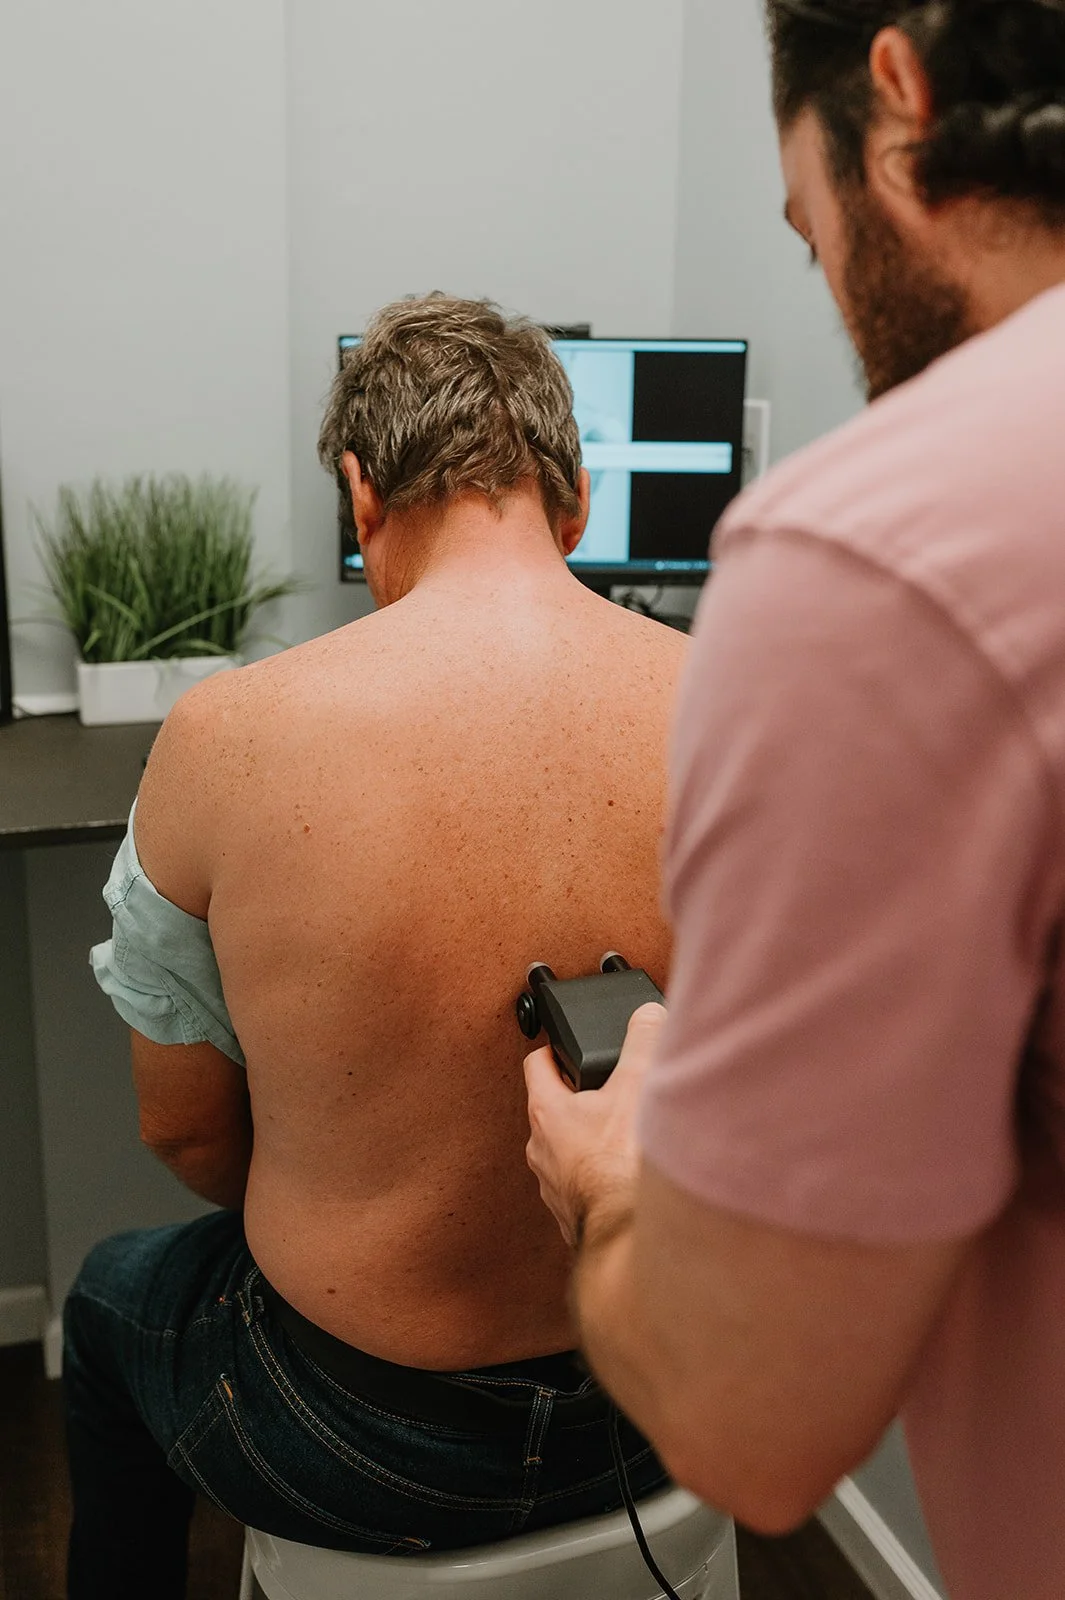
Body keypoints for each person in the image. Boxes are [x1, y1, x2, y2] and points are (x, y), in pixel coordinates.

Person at [525, 5, 1065, 1599]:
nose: (827, 280)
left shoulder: (879, 547)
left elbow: (751, 1428)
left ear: (897, 91)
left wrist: (621, 1171)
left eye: (804, 220)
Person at [66, 295, 684, 1599]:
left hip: (363, 1440)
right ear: (572, 502)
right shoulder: (747, 706)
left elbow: (183, 1136)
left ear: (362, 492)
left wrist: (343, 1198)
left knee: (114, 1298)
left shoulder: (228, 738)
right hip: (671, 1403)